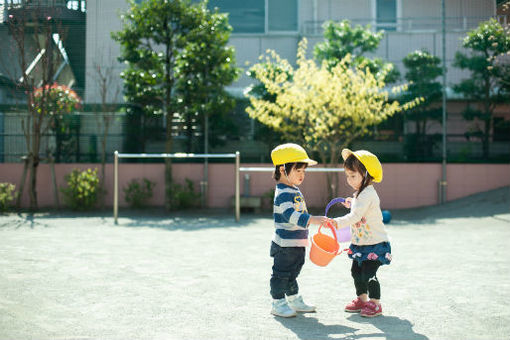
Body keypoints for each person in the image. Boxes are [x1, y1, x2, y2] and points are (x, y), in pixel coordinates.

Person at [269, 143, 332, 318]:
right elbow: (291, 215)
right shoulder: (283, 193)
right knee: (281, 274)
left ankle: (294, 299)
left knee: (293, 273)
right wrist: (313, 220)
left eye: (304, 171)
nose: (302, 175)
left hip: (297, 243)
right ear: (283, 169)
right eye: (298, 171)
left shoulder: (293, 190)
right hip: (285, 245)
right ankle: (277, 302)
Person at [331, 149, 391, 318]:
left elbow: (356, 215)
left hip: (374, 244)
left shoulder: (368, 194)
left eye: (353, 176)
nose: (349, 180)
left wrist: (337, 223)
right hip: (361, 244)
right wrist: (352, 202)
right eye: (347, 176)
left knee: (369, 274)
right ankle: (362, 299)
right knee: (356, 271)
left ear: (366, 175)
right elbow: (358, 207)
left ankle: (375, 303)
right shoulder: (360, 194)